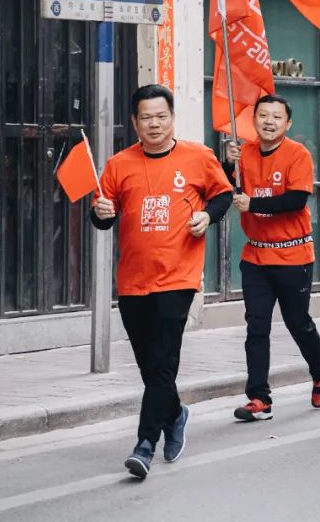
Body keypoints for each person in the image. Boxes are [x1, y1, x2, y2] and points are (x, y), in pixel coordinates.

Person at [91, 85, 233, 479]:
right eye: (146, 118)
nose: (154, 124)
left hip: (178, 276)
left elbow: (223, 195)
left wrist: (208, 216)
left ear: (172, 118)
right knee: (150, 365)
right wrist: (101, 212)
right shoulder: (119, 164)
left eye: (161, 116)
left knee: (164, 359)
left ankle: (144, 444)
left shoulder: (198, 157)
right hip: (133, 280)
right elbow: (103, 219)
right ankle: (174, 414)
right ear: (134, 122)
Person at [224, 95, 320, 423]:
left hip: (292, 254)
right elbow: (224, 187)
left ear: (288, 124)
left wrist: (254, 205)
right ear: (254, 120)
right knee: (256, 327)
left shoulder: (297, 154)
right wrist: (226, 163)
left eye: (276, 117)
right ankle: (259, 398)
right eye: (263, 115)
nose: (269, 122)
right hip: (255, 255)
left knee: (297, 322)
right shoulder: (243, 154)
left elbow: (296, 200)